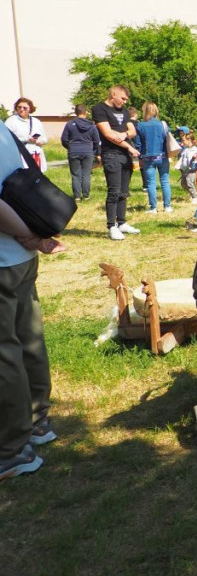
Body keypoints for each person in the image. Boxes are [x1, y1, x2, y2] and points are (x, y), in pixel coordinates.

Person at [0, 120, 65, 481]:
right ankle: (38, 422)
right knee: (28, 339)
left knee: (5, 350)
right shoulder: (3, 129)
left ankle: (11, 450)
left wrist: (29, 236)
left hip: (6, 254)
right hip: (20, 259)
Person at [92, 85, 141, 241]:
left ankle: (122, 222)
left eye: (126, 99)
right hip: (111, 154)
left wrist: (123, 135)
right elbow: (107, 134)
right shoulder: (99, 109)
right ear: (113, 94)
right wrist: (127, 144)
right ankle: (111, 226)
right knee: (114, 190)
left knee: (124, 192)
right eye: (122, 98)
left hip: (125, 155)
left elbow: (132, 131)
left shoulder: (124, 111)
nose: (125, 102)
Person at [136, 102, 175, 213]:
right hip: (162, 156)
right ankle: (167, 206)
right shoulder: (162, 124)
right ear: (156, 111)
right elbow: (168, 138)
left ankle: (153, 207)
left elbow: (138, 144)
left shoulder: (140, 125)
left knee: (151, 183)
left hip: (148, 158)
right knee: (165, 181)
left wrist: (139, 157)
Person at [60, 104, 101, 201]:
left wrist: (70, 147)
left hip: (73, 151)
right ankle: (86, 195)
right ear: (86, 112)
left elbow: (64, 139)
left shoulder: (70, 124)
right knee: (86, 174)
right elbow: (97, 141)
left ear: (76, 112)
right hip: (87, 151)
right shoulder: (92, 126)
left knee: (75, 175)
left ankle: (77, 196)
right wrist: (96, 152)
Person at [5, 98, 48, 172]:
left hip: (36, 153)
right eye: (19, 107)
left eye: (25, 108)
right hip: (21, 155)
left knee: (37, 178)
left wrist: (40, 141)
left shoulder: (36, 121)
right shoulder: (11, 121)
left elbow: (44, 138)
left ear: (30, 109)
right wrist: (26, 139)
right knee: (25, 177)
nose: (22, 109)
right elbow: (8, 139)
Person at [176, 129, 197, 204]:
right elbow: (182, 159)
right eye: (183, 141)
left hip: (191, 169)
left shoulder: (195, 150)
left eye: (185, 141)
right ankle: (191, 193)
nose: (183, 142)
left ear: (192, 141)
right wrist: (179, 166)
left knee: (190, 183)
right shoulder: (185, 150)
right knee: (183, 184)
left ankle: (195, 197)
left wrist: (196, 158)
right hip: (184, 169)